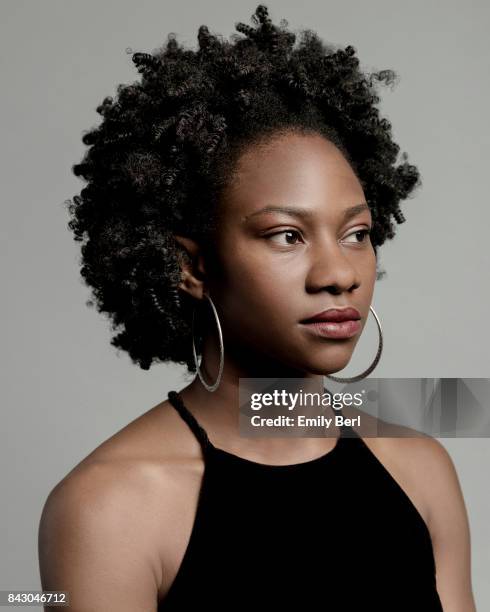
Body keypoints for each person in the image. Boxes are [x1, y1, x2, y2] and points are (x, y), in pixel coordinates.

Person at [38, 5, 476, 610]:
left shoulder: (421, 471)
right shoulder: (108, 505)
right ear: (192, 267)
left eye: (356, 234)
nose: (339, 275)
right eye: (286, 236)